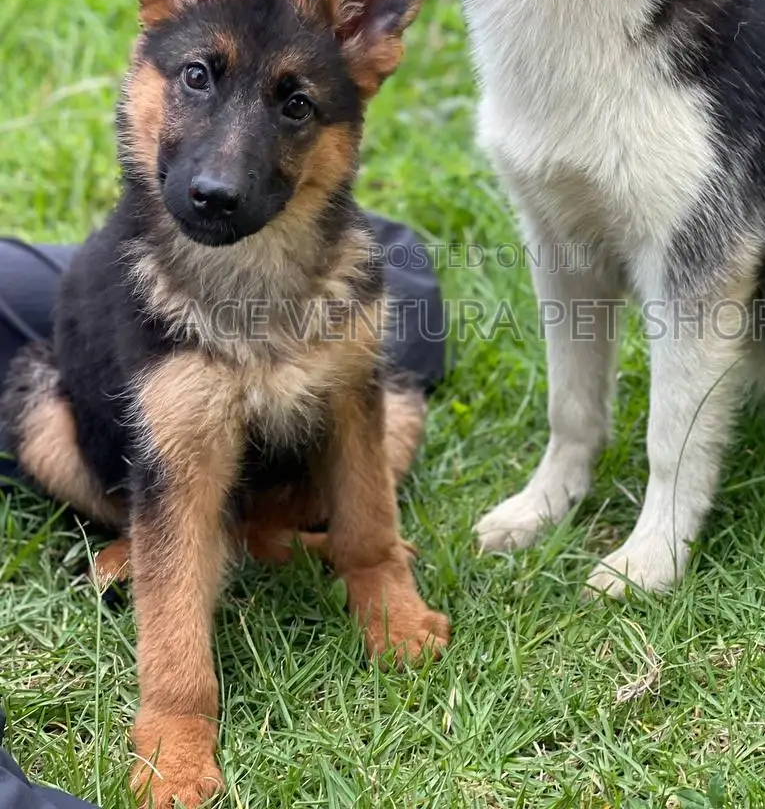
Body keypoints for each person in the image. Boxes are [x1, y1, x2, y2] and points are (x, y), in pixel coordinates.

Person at [0, 218, 446, 807]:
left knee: (391, 358)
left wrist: (376, 569)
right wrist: (176, 714)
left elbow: (361, 404)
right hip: (124, 471)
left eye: (293, 114)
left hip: (296, 469)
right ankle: (187, 547)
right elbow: (170, 482)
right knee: (39, 416)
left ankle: (268, 533)